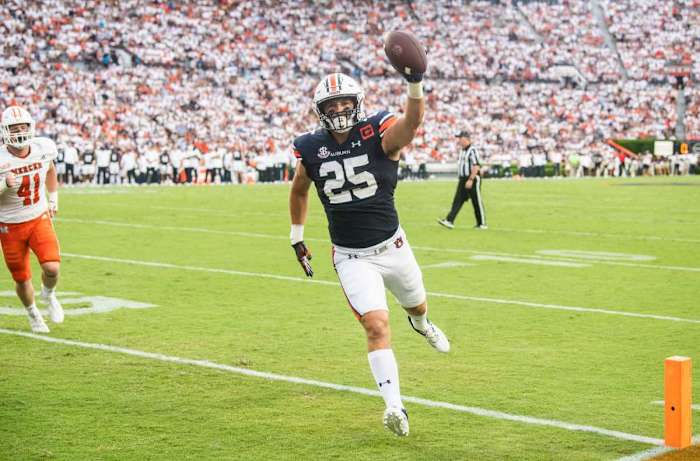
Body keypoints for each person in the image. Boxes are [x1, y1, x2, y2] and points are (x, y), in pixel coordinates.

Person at [289, 70, 449, 438]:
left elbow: (412, 124)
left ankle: (422, 326)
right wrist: (297, 237)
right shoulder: (311, 147)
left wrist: (414, 82)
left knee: (417, 307)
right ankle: (394, 405)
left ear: (358, 103)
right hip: (351, 256)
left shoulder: (376, 132)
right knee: (376, 325)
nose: (341, 109)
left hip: (393, 247)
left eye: (345, 102)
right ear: (320, 110)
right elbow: (299, 190)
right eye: (332, 104)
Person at [0, 106, 64, 333]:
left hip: (38, 216)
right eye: (14, 128)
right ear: (5, 131)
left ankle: (49, 294)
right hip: (9, 224)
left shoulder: (42, 148)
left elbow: (50, 170)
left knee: (52, 267)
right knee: (21, 277)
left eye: (23, 127)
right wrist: (4, 185)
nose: (19, 132)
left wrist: (54, 198)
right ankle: (33, 313)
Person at [438, 131, 487, 229]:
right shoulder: (462, 150)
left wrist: (471, 179)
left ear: (466, 139)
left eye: (460, 138)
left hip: (471, 178)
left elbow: (476, 165)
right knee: (457, 200)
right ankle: (449, 220)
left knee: (476, 200)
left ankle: (482, 223)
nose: (459, 140)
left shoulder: (472, 150)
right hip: (463, 179)